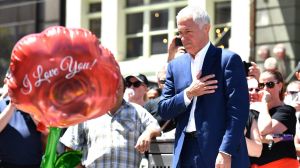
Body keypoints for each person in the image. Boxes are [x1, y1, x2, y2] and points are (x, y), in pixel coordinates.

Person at [158, 6, 249, 168]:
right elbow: (164, 110)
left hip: (218, 151)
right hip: (184, 152)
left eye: (188, 32)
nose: (183, 38)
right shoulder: (175, 66)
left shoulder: (228, 60)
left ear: (206, 28)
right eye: (180, 33)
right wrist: (189, 93)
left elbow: (238, 112)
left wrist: (226, 151)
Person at [60, 77, 161, 168]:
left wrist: (148, 133)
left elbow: (156, 127)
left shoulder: (138, 111)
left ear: (124, 90)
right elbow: (70, 144)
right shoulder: (89, 113)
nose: (114, 91)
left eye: (118, 87)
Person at [251, 70, 298, 167]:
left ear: (280, 86)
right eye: (261, 85)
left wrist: (264, 102)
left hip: (281, 164)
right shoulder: (254, 110)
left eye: (270, 84)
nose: (265, 89)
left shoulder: (286, 110)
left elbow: (264, 131)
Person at [0, 76, 46, 168]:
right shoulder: (1, 104)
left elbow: (46, 130)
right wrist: (12, 105)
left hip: (34, 164)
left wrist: (28, 106)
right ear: (7, 81)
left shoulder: (36, 106)